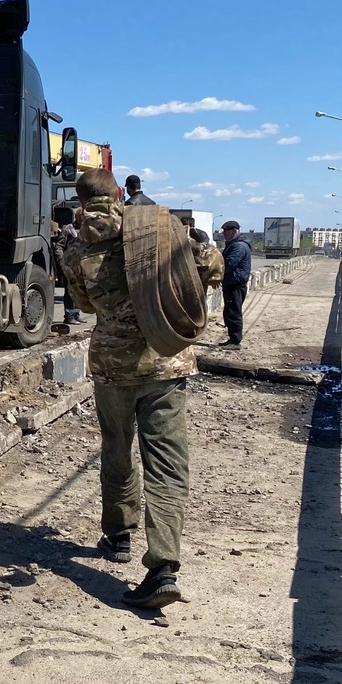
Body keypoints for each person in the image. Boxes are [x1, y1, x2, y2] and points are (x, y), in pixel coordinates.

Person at [62, 168, 222, 608]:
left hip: (113, 367)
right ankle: (164, 568)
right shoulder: (159, 226)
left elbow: (82, 304)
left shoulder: (76, 247)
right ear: (118, 194)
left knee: (116, 448)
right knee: (167, 462)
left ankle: (118, 537)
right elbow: (212, 269)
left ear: (80, 201)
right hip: (165, 362)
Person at [219, 220, 251, 348]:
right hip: (232, 283)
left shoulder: (238, 246)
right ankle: (232, 339)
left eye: (226, 230)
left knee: (233, 313)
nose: (223, 233)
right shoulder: (233, 244)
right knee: (229, 312)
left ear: (234, 231)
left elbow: (228, 265)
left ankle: (235, 341)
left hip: (235, 285)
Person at [51, 206, 82, 324]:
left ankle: (76, 313)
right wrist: (61, 262)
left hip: (80, 266)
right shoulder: (68, 228)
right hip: (69, 265)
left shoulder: (85, 228)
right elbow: (59, 247)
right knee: (70, 291)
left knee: (79, 290)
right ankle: (69, 316)